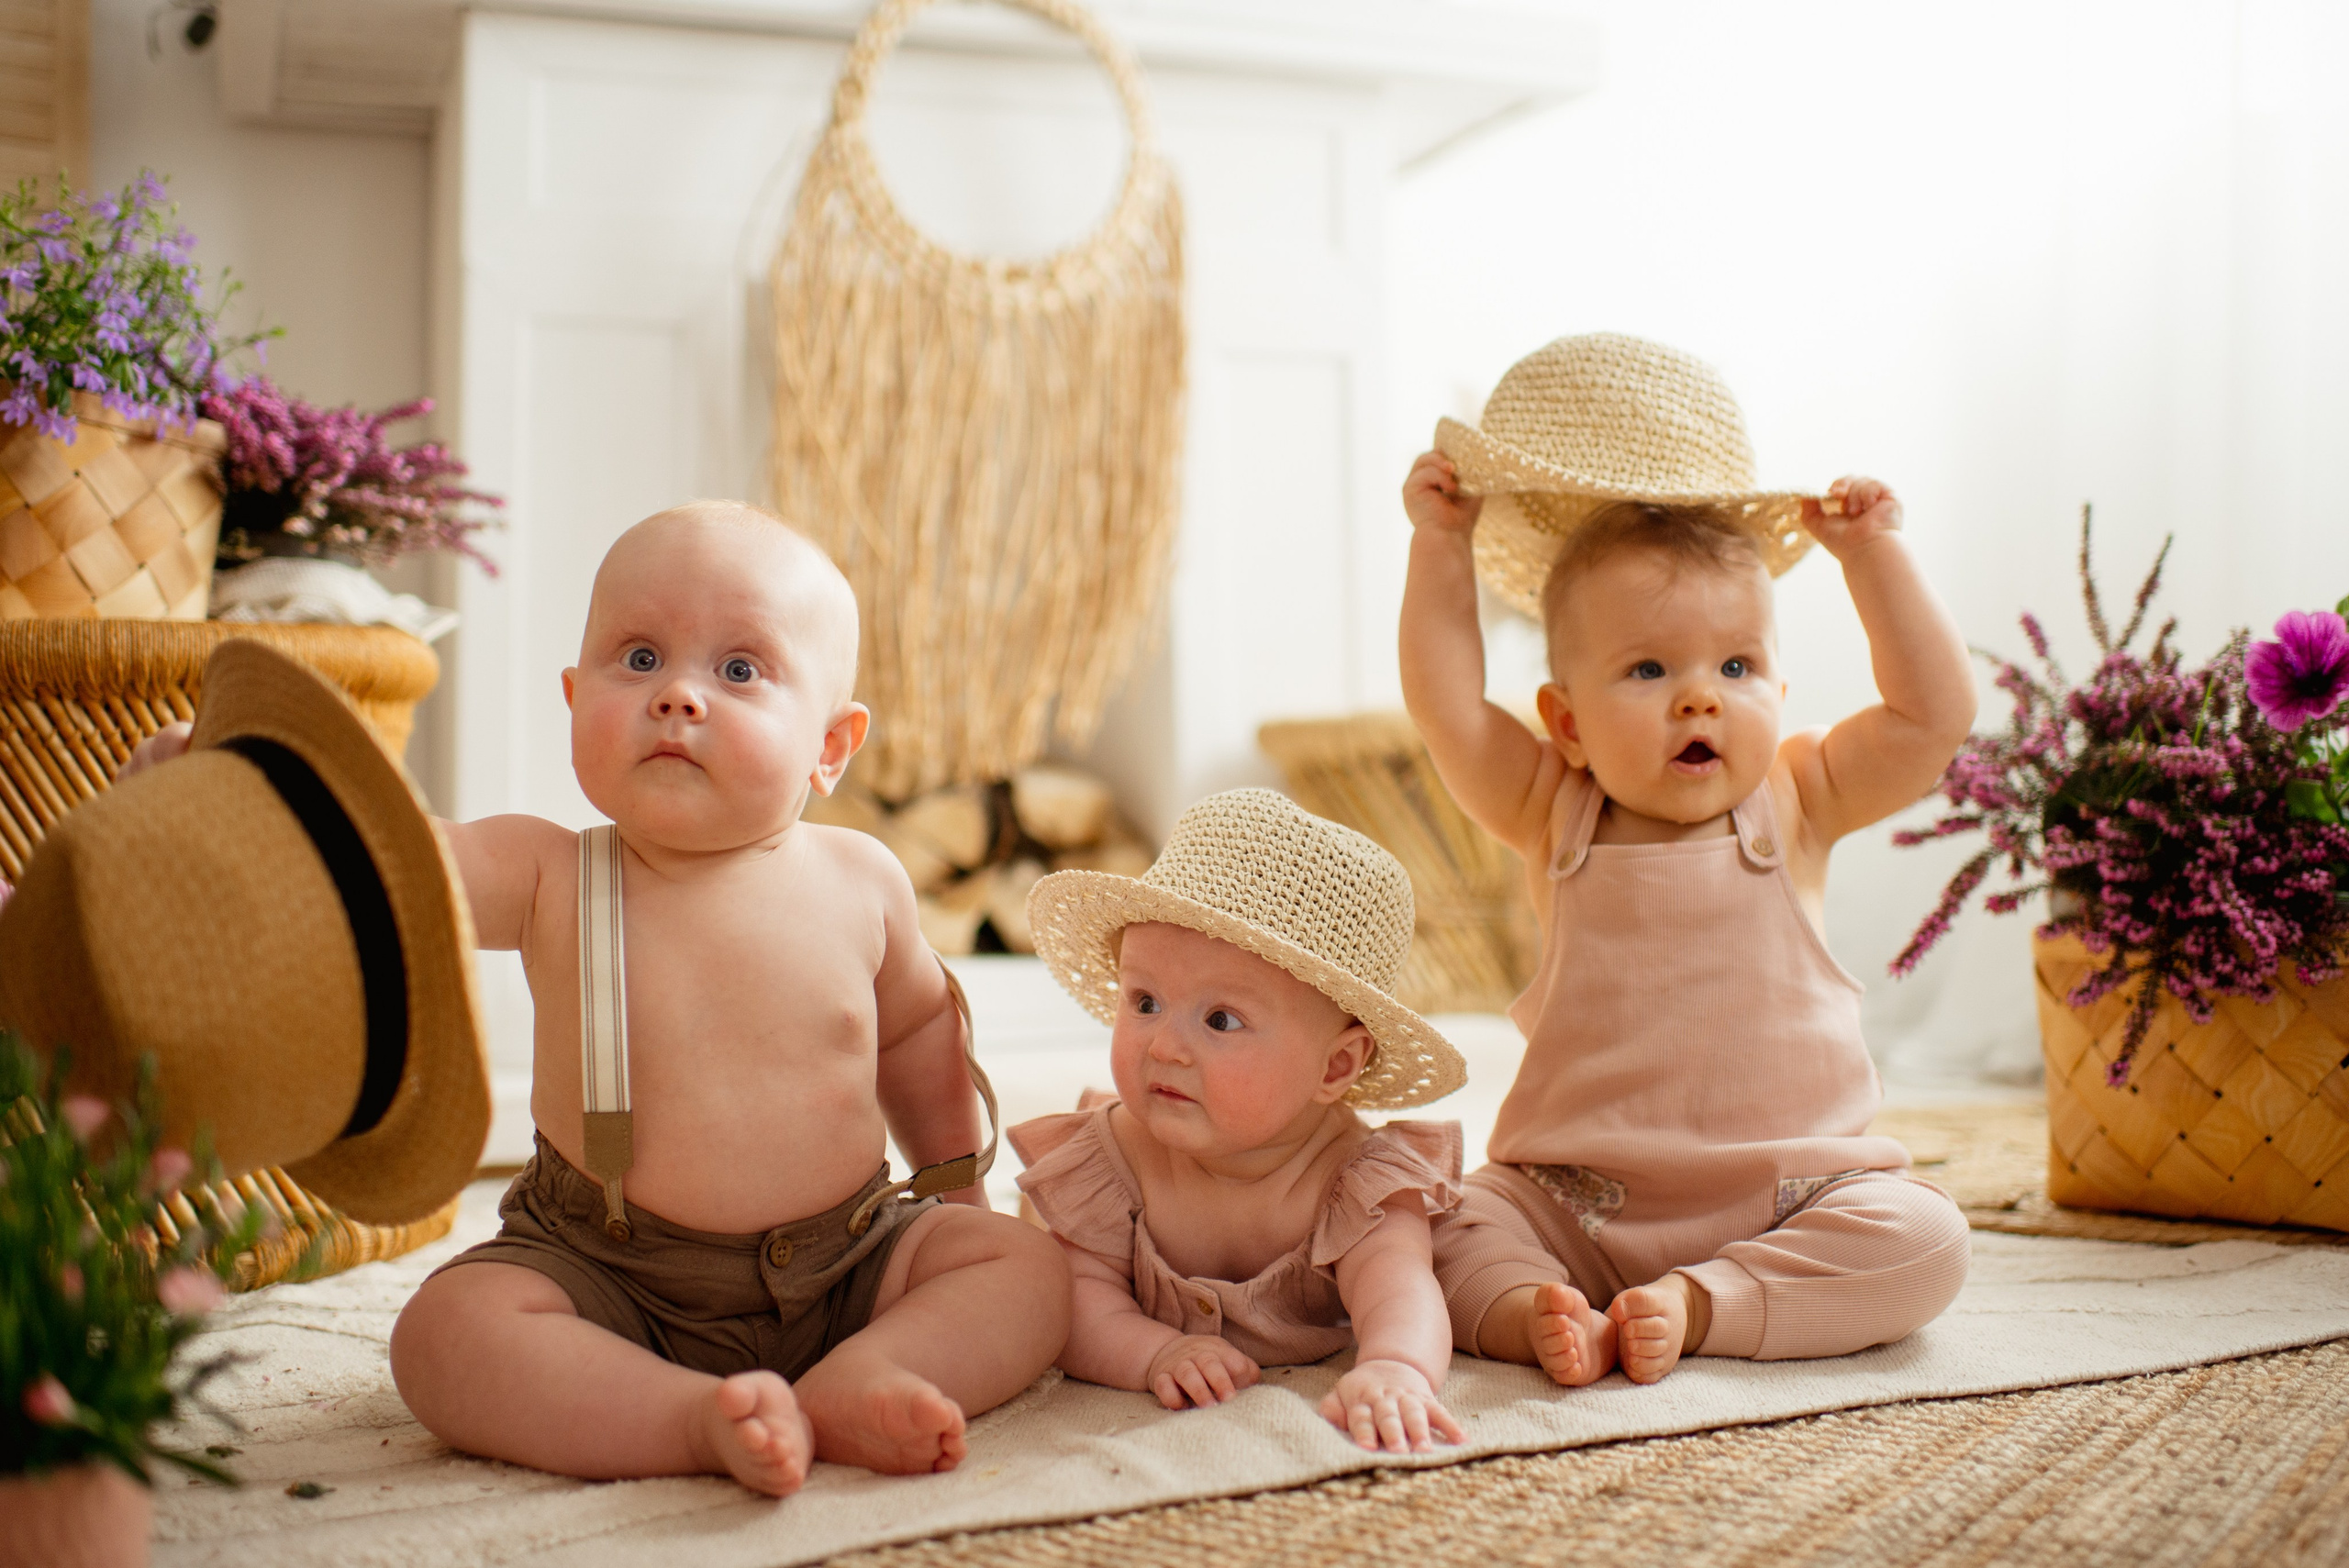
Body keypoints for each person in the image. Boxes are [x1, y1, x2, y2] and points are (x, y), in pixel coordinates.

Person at [129, 502, 1073, 1496]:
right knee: (445, 1334)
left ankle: (868, 1372)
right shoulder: (547, 870)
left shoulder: (863, 880)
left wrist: (955, 1190)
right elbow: (384, 855)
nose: (677, 696)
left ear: (830, 746)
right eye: (639, 658)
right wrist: (234, 792)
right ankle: (687, 1419)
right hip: (604, 1267)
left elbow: (919, 1034)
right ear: (576, 699)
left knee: (1020, 1267)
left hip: (846, 1259)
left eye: (739, 669)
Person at [1397, 334, 1976, 1388]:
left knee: (1926, 1240)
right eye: (1648, 668)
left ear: (1779, 694)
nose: (1700, 695)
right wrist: (1441, 545)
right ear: (1566, 722)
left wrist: (1871, 557)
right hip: (1571, 1201)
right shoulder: (1552, 808)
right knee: (1430, 1225)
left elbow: (1932, 716)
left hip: (1787, 1195)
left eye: (1737, 664)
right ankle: (1532, 1307)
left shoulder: (1798, 798)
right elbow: (1447, 709)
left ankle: (1705, 1300)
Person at [1014, 788, 1472, 1453]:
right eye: (1144, 1002)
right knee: (1022, 1269)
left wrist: (1396, 1367)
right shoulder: (1110, 1162)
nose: (1164, 1046)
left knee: (1470, 1258)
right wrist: (1153, 1352)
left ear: (1335, 1067)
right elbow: (1073, 1300)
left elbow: (1401, 1290)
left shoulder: (1360, 1183)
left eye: (1220, 1020)